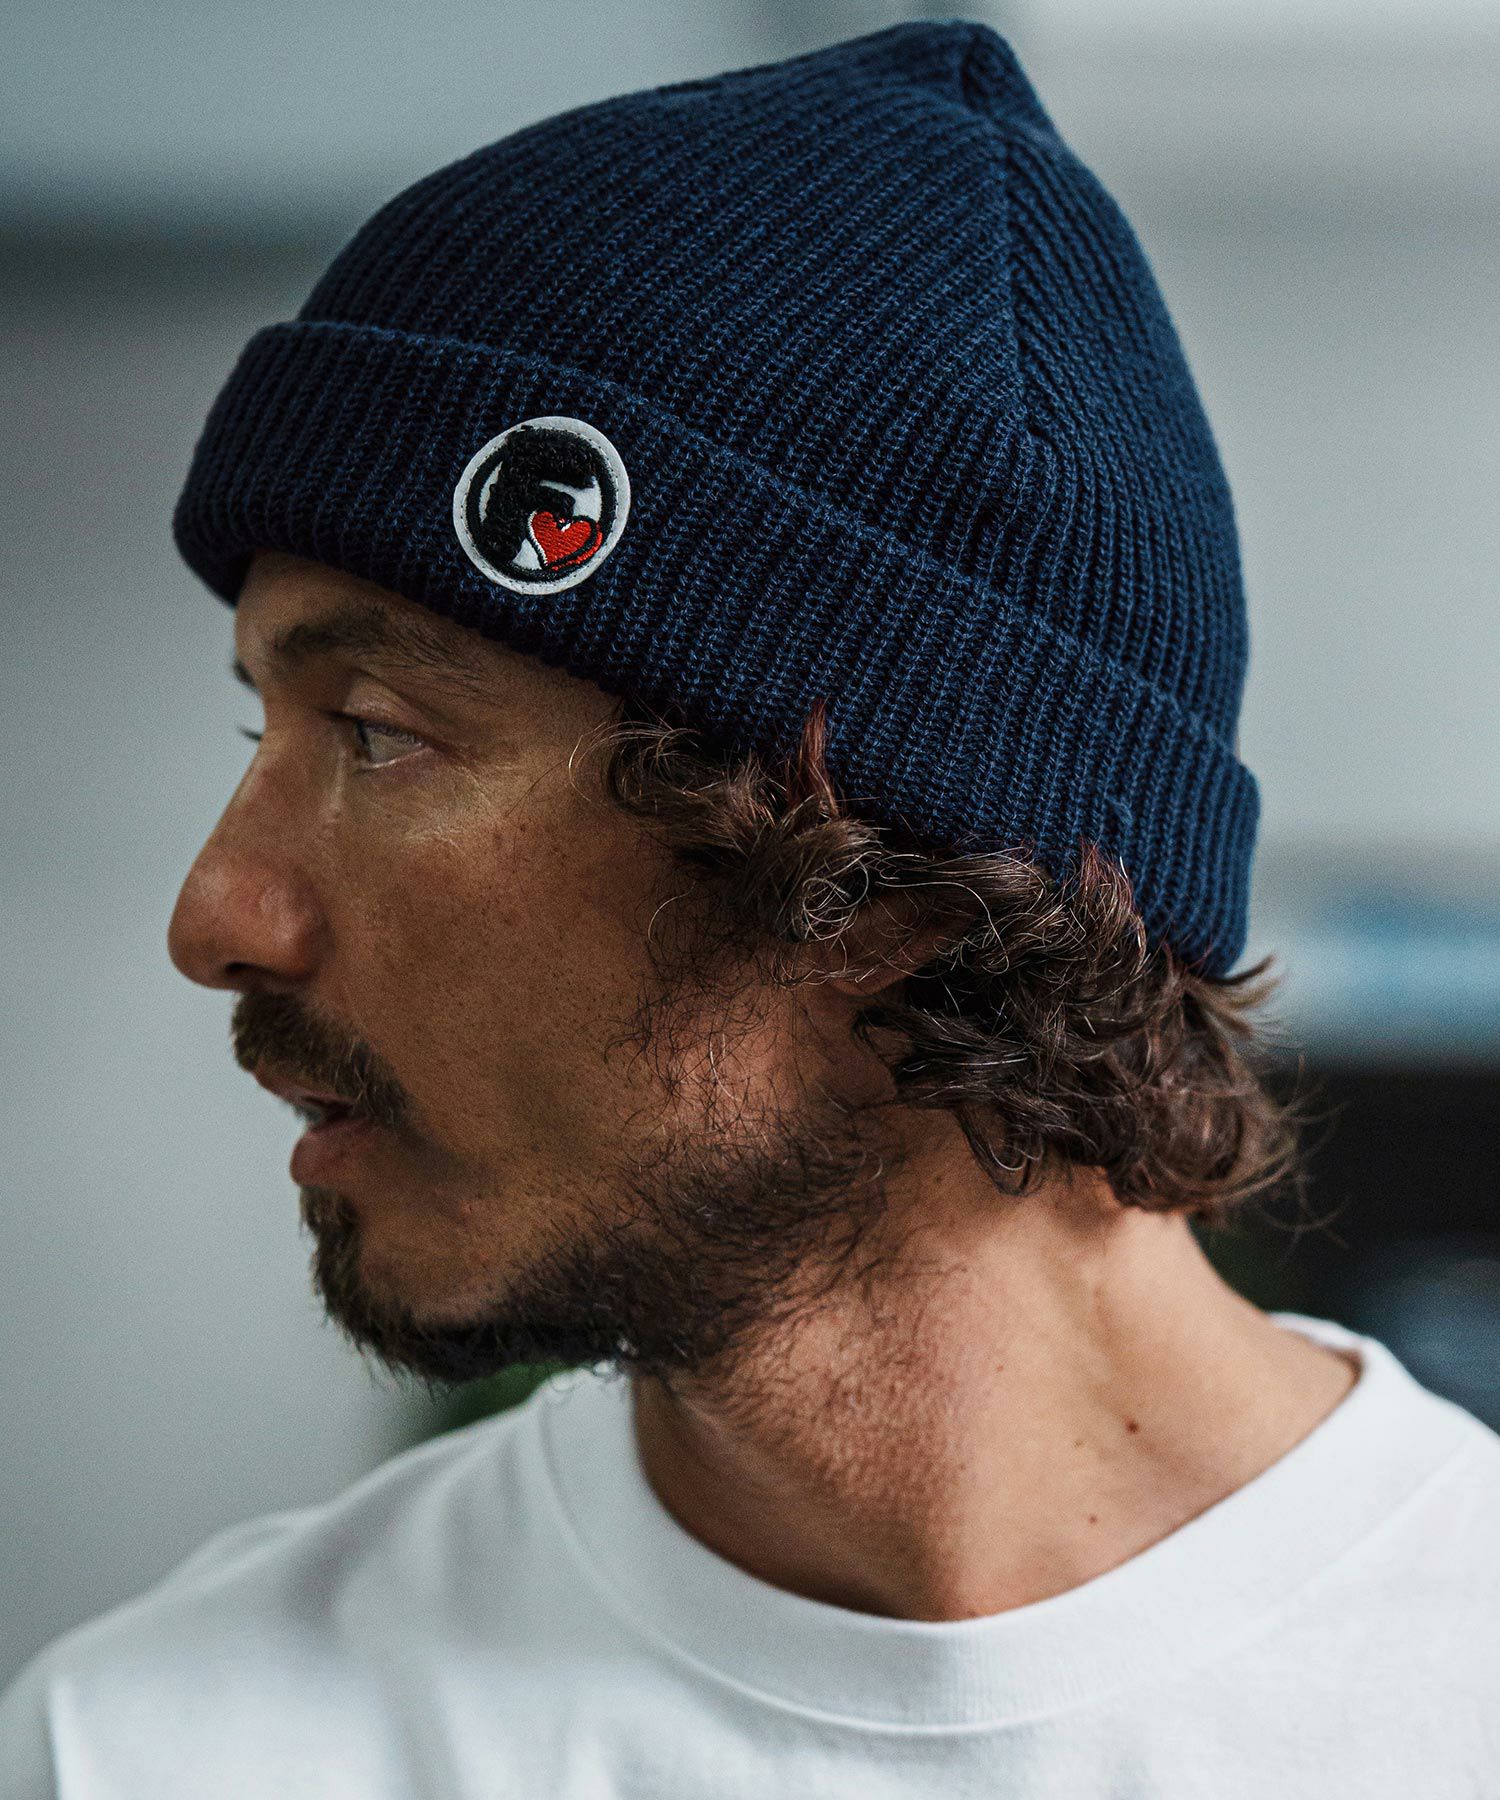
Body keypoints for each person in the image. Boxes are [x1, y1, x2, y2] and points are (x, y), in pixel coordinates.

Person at [4, 20, 1497, 1798]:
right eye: (264, 726)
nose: (220, 916)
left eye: (381, 733)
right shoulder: (156, 1749)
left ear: (884, 869)